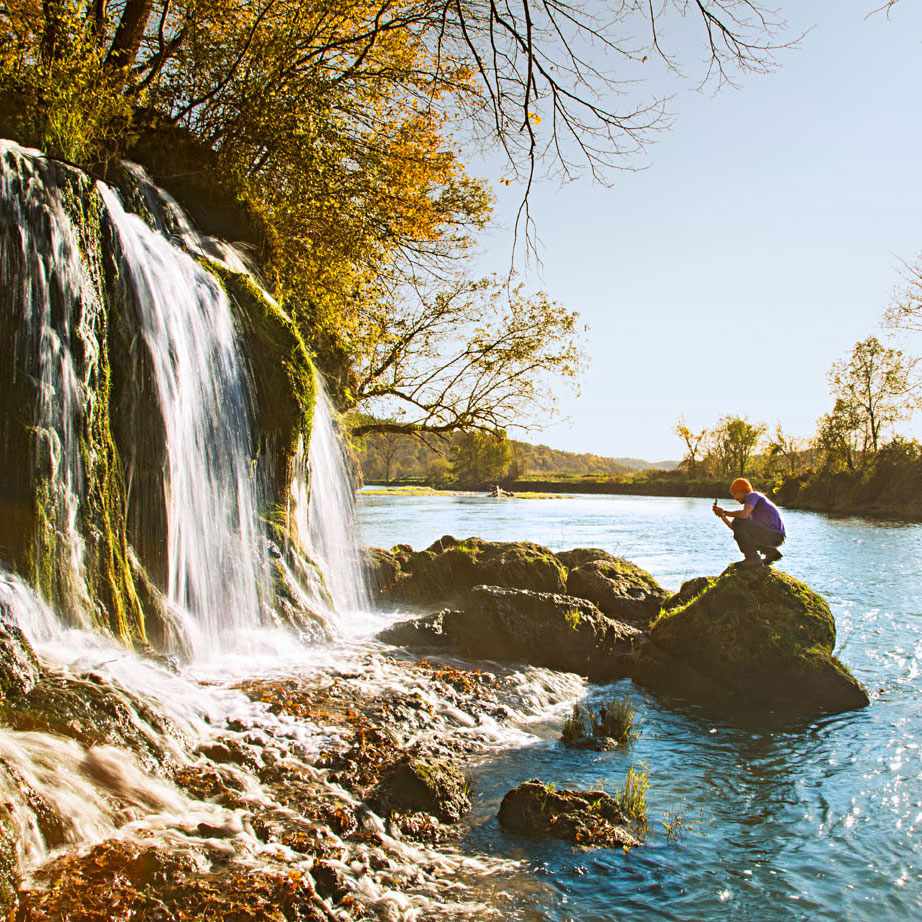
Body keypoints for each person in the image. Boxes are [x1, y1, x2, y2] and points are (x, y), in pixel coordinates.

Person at [713, 478, 785, 567]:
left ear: (743, 491)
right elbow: (735, 528)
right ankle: (771, 553)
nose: (735, 498)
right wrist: (722, 516)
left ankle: (752, 558)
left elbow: (743, 516)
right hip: (775, 536)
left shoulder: (752, 495)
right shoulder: (752, 506)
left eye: (735, 494)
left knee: (738, 521)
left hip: (774, 535)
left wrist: (725, 512)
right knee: (739, 525)